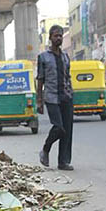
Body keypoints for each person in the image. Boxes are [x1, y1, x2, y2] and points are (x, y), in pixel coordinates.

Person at [36, 25, 74, 171]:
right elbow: (40, 79)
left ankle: (63, 161)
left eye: (60, 36)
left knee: (68, 130)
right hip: (51, 97)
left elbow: (68, 77)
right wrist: (39, 100)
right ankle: (45, 149)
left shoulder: (65, 56)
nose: (58, 38)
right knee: (59, 127)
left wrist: (71, 94)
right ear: (50, 38)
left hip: (66, 96)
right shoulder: (43, 57)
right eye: (55, 36)